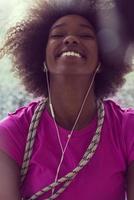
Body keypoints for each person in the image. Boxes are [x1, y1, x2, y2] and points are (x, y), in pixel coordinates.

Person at [0, 0, 134, 199]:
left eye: (86, 35)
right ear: (42, 59)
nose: (70, 39)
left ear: (101, 61)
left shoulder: (127, 129)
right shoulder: (12, 133)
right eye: (58, 34)